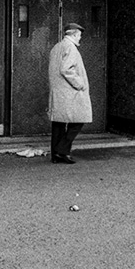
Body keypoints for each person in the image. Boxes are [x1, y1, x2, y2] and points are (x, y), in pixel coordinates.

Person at [47, 22, 92, 164]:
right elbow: (66, 69)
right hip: (70, 91)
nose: (80, 38)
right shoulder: (71, 48)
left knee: (58, 124)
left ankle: (56, 155)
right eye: (79, 35)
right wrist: (80, 84)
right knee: (79, 120)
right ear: (73, 34)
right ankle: (63, 150)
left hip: (58, 91)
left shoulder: (56, 47)